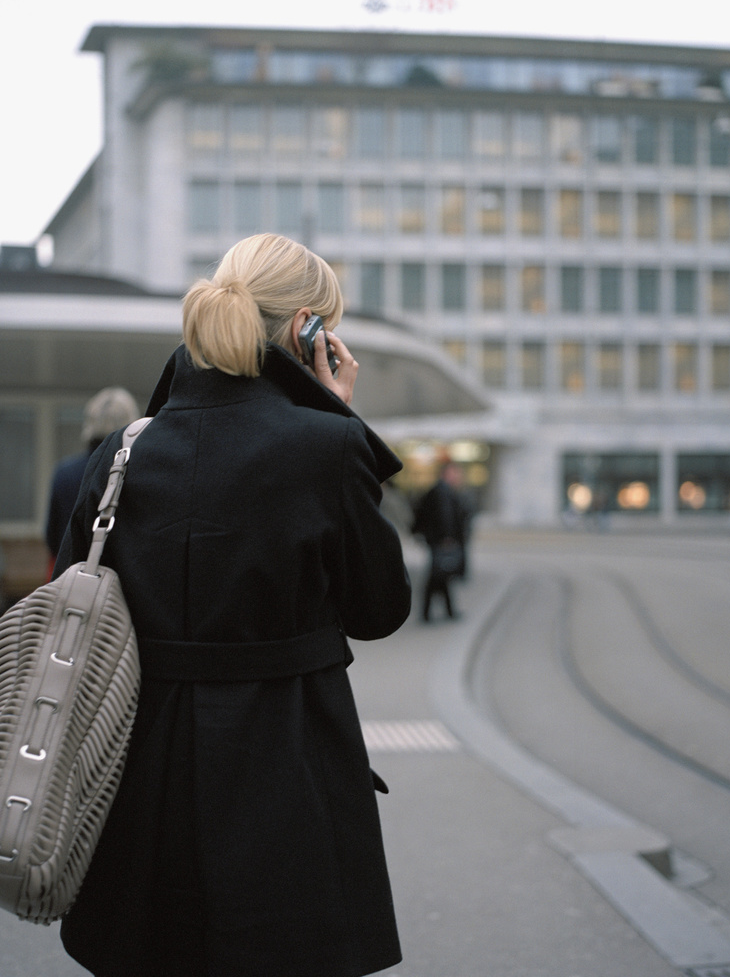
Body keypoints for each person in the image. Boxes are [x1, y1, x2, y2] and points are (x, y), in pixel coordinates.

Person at [54, 233, 412, 977]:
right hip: (288, 764)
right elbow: (380, 609)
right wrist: (337, 416)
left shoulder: (121, 451)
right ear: (306, 329)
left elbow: (68, 594)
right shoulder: (326, 447)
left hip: (135, 767)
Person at [45, 386, 140, 561]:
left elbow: (52, 539)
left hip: (71, 577)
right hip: (124, 583)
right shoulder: (140, 474)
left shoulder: (65, 473)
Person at [412, 460, 471, 623]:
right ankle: (429, 613)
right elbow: (445, 517)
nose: (458, 477)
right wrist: (447, 537)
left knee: (441, 575)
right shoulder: (442, 492)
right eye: (455, 473)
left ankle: (445, 611)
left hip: (438, 540)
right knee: (437, 575)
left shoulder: (441, 490)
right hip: (442, 541)